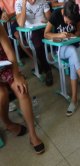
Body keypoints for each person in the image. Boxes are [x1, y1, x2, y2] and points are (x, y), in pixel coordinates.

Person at [44, 1, 80, 116]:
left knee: (73, 58)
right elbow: (46, 34)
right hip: (60, 49)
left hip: (74, 45)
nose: (70, 23)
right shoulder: (55, 14)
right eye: (68, 20)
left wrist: (73, 35)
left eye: (71, 21)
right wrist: (58, 35)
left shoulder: (76, 15)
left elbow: (79, 31)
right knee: (73, 53)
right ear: (63, 13)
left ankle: (74, 99)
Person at [0, 24, 45, 154]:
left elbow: (9, 52)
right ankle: (8, 123)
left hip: (5, 64)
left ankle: (33, 135)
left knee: (22, 89)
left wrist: (17, 76)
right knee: (2, 94)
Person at [15, 0, 53, 86]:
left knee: (40, 41)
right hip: (29, 30)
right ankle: (47, 69)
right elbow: (21, 24)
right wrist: (23, 3)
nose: (33, 0)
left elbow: (49, 17)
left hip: (42, 28)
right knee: (37, 44)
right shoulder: (19, 3)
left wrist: (47, 20)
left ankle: (42, 65)